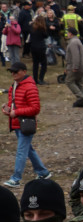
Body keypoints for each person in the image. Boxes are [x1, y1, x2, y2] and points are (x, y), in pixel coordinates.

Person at [3, 60, 49, 188]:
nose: (13, 74)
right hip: (18, 123)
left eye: (16, 71)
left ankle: (16, 179)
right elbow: (14, 103)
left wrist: (16, 112)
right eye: (11, 71)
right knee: (28, 150)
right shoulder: (14, 86)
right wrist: (8, 109)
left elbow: (35, 108)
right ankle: (43, 172)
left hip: (26, 124)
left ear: (24, 72)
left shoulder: (30, 87)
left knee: (21, 151)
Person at [63, 27, 83, 108]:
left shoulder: (73, 42)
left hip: (77, 67)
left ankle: (81, 97)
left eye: (68, 32)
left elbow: (75, 56)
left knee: (69, 81)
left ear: (71, 33)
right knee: (79, 83)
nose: (67, 34)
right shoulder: (78, 41)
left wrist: (75, 67)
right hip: (82, 66)